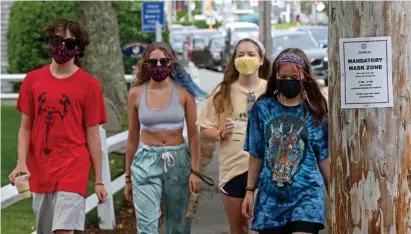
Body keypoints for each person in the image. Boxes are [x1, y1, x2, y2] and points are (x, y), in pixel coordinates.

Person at [8, 18, 108, 234]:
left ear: (79, 50)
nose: (62, 46)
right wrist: (21, 163)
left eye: (70, 43)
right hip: (41, 168)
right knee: (45, 230)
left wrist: (99, 180)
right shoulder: (32, 80)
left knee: (63, 230)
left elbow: (93, 136)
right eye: (57, 40)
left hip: (74, 165)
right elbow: (25, 128)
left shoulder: (90, 85)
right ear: (50, 40)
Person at [242, 48, 330, 234]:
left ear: (304, 77)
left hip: (307, 198)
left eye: (294, 77)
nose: (289, 82)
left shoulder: (316, 110)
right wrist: (250, 191)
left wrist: (334, 193)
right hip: (270, 200)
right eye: (284, 77)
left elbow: (324, 156)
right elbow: (256, 154)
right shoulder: (262, 108)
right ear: (275, 77)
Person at [124, 42, 207, 234]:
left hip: (178, 161)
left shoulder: (184, 92)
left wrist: (195, 171)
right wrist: (128, 178)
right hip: (146, 162)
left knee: (179, 224)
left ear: (171, 62)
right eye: (153, 61)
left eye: (164, 61)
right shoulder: (136, 94)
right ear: (146, 64)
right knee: (146, 226)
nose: (159, 65)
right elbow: (132, 139)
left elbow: (194, 136)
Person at [197, 38, 271, 234]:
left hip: (267, 170)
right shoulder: (223, 92)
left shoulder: (271, 90)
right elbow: (205, 129)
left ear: (261, 60)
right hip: (233, 170)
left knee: (261, 228)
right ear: (234, 60)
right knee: (239, 229)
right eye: (240, 55)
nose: (245, 58)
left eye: (251, 54)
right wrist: (220, 133)